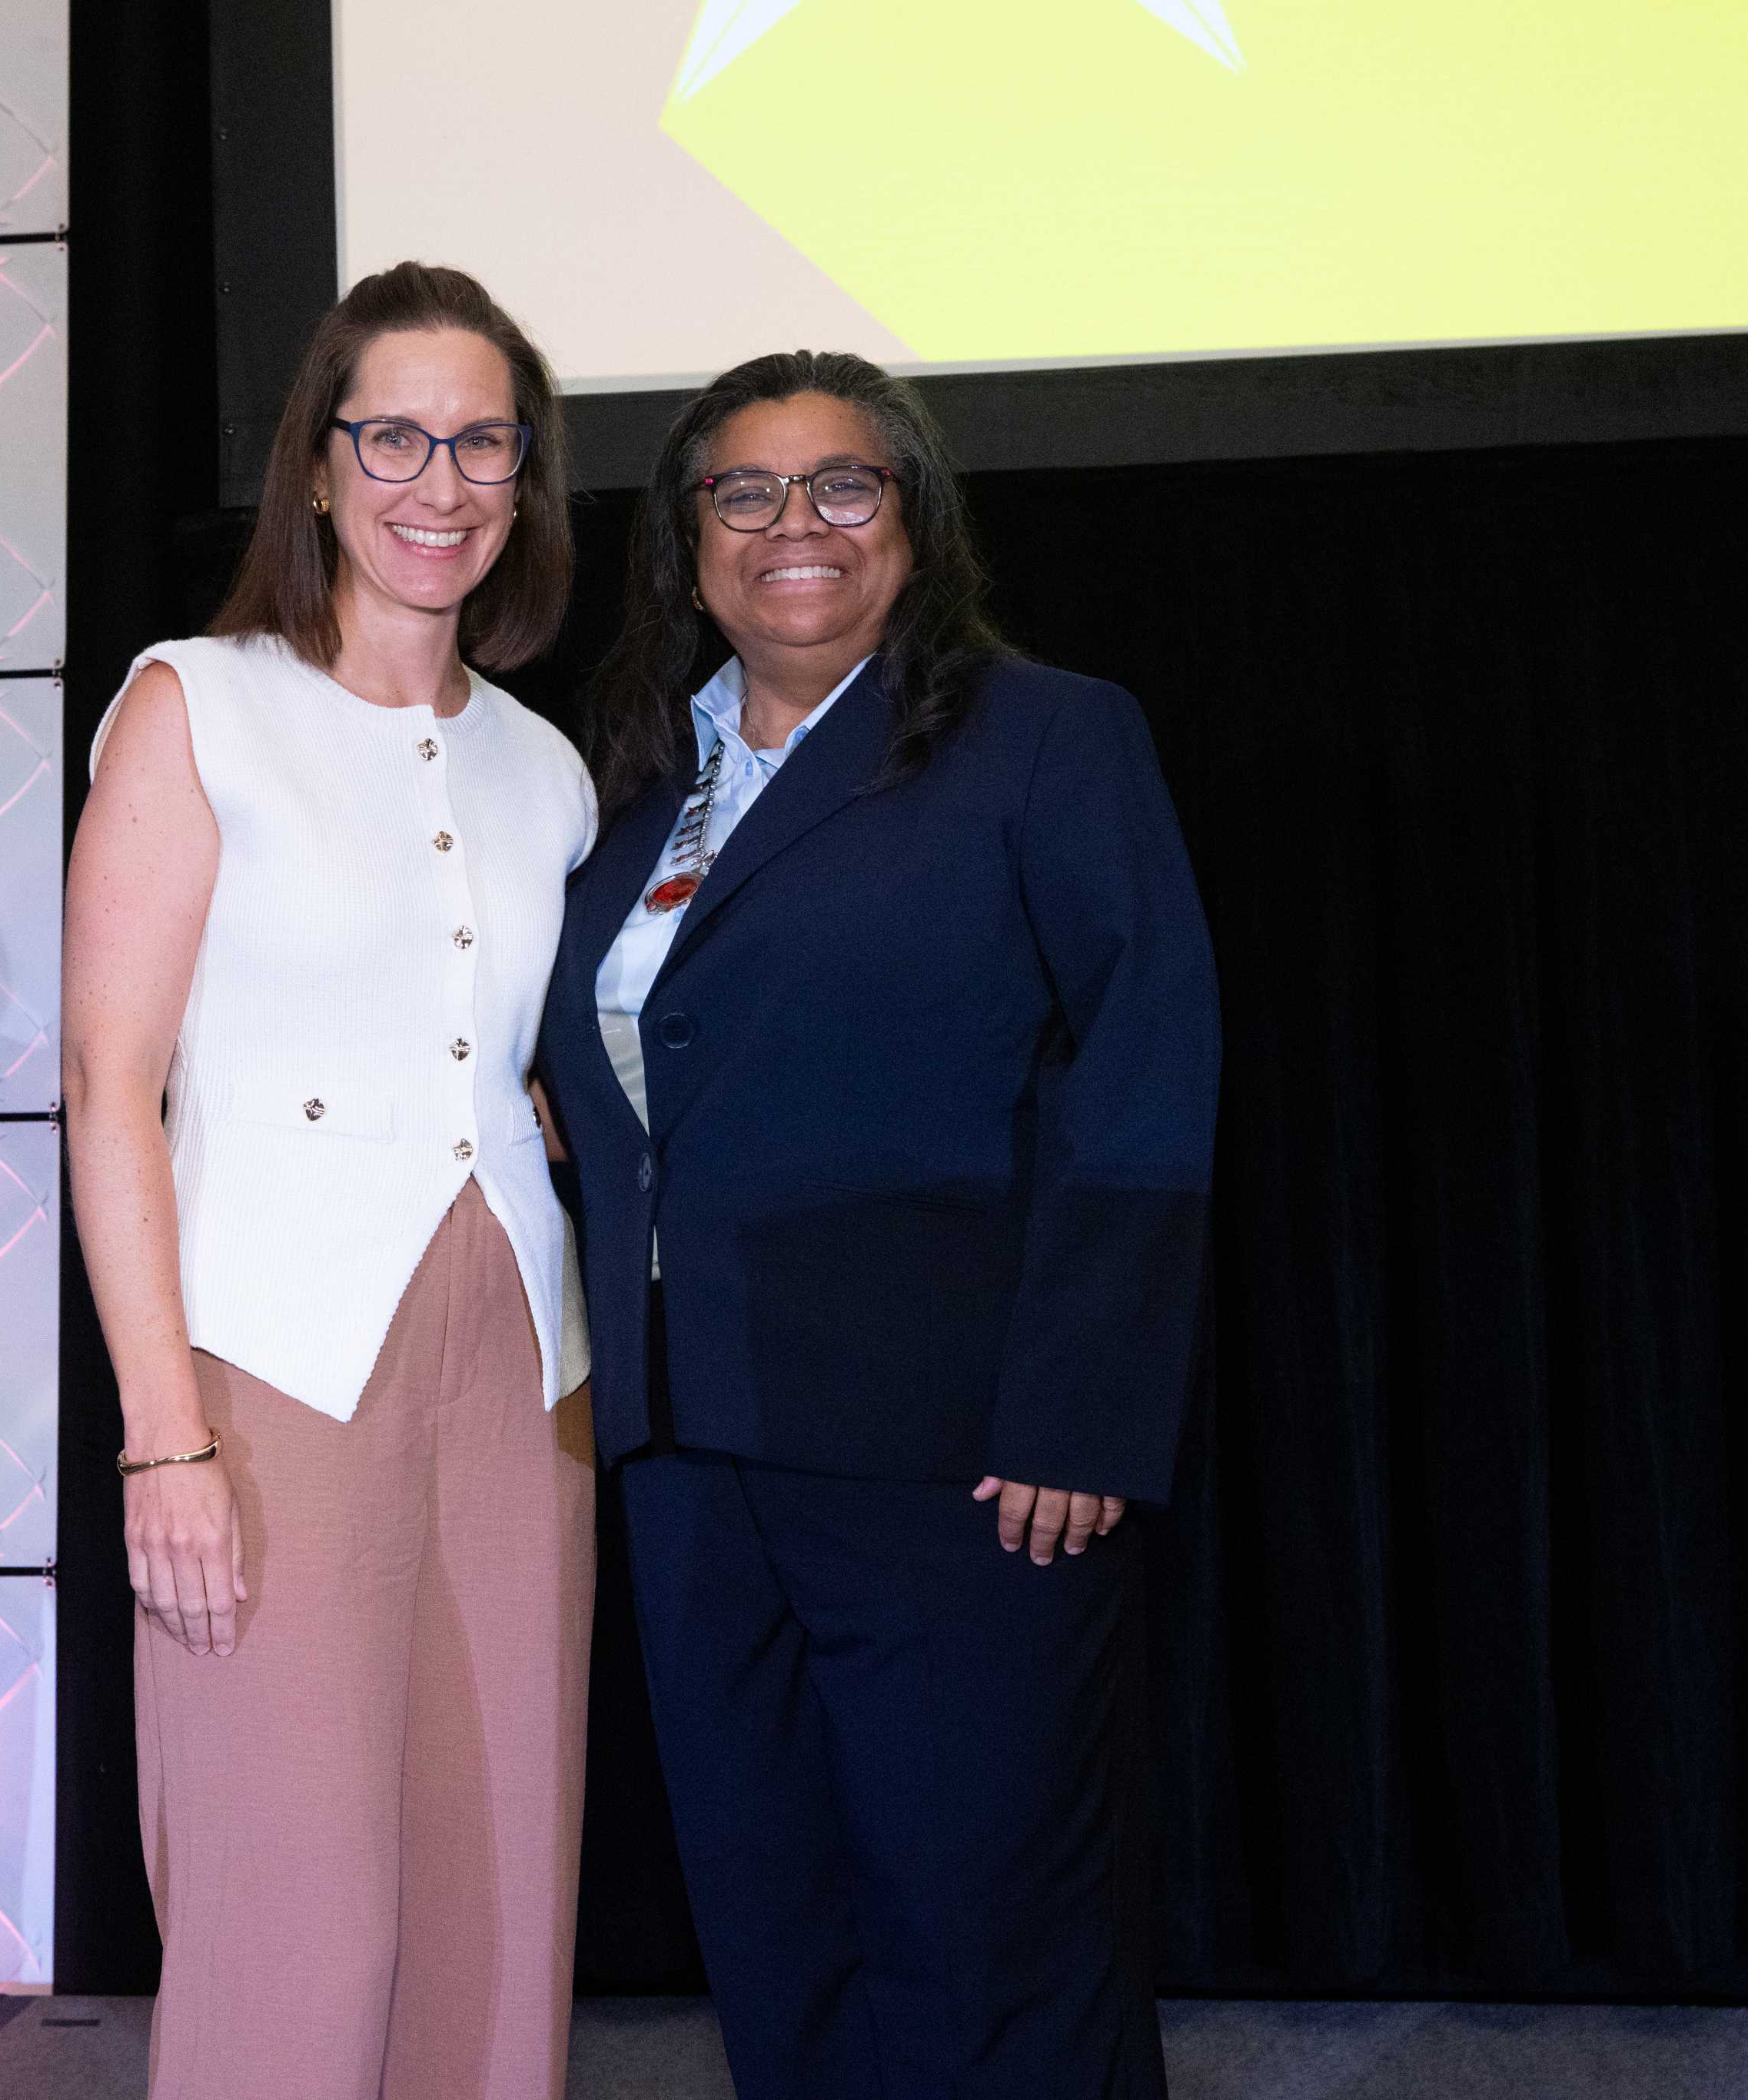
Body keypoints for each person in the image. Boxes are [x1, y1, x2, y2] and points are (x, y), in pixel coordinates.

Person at [538, 351, 1219, 2098]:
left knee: (991, 1930)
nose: (797, 524)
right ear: (689, 540)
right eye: (745, 490)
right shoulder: (629, 785)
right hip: (691, 1445)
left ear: (915, 521)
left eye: (845, 484)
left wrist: (1083, 1406)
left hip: (963, 1451)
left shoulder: (1046, 736)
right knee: (777, 1920)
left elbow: (1144, 1077)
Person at [61, 261, 598, 2100]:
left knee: (496, 1912)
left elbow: (510, 1050)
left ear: (523, 475)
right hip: (272, 1365)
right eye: (394, 437)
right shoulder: (194, 703)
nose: (439, 483)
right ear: (316, 462)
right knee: (299, 1918)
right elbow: (106, 1084)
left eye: (482, 443)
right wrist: (163, 1439)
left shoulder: (545, 772)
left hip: (523, 1372)